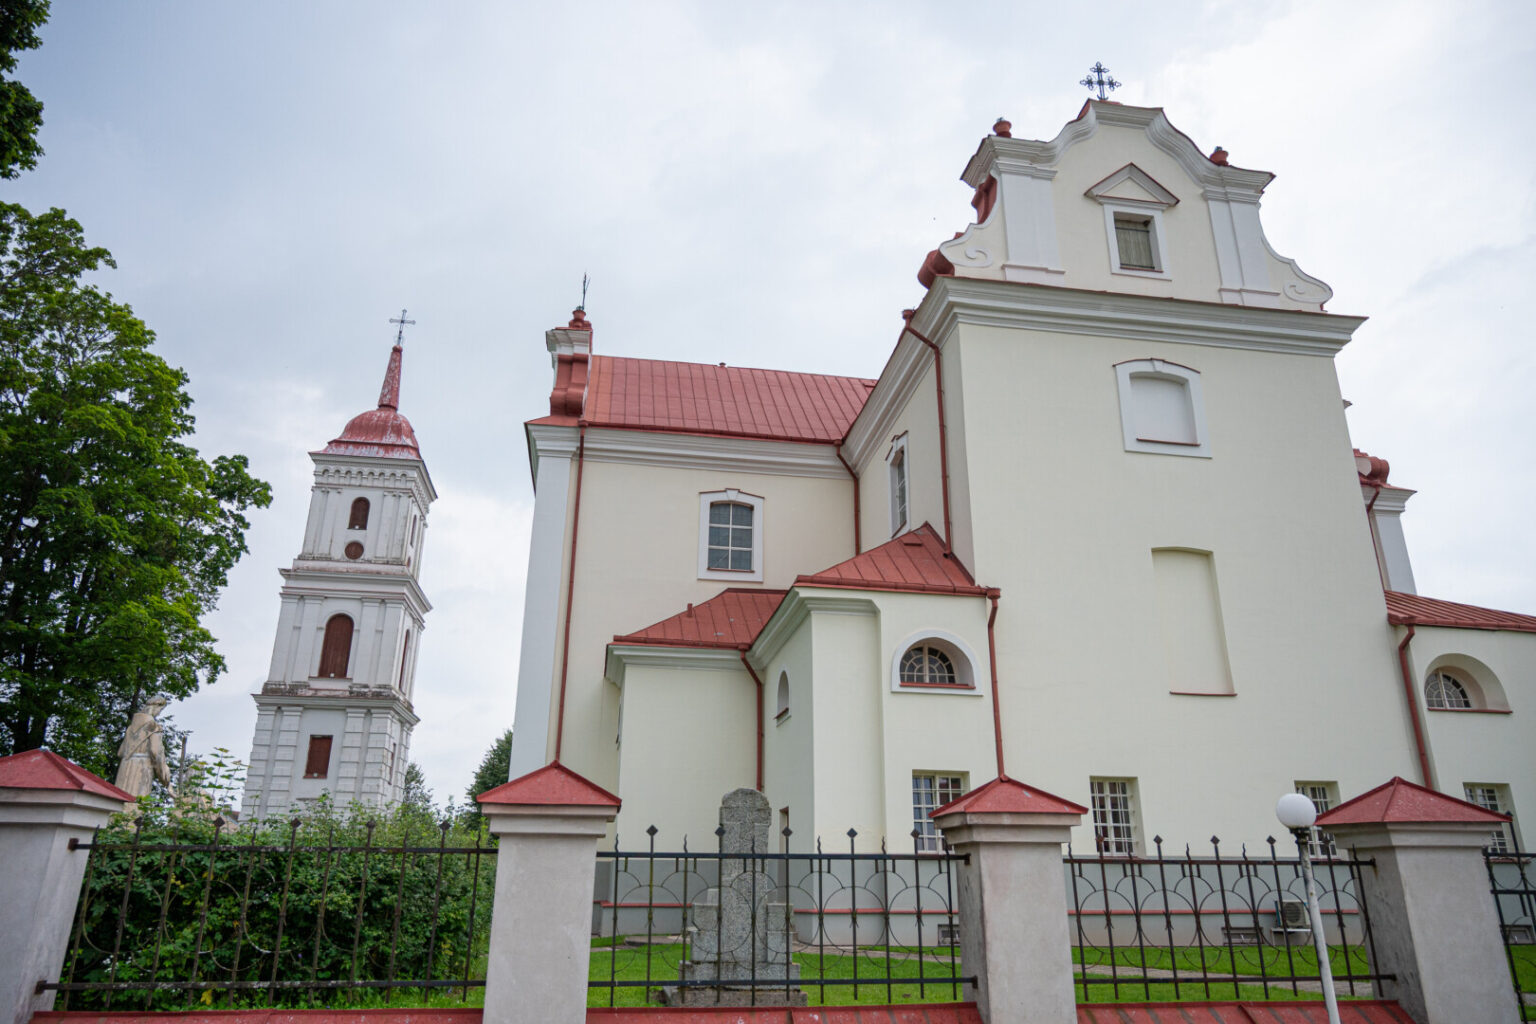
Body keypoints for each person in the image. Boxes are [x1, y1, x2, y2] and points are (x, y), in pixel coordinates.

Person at [114, 696, 172, 798]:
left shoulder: (131, 727)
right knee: (137, 804)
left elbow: (120, 752)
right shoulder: (153, 726)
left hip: (124, 767)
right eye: (160, 710)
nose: (159, 713)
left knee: (118, 802)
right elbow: (155, 752)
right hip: (141, 768)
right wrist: (166, 778)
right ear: (156, 706)